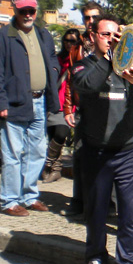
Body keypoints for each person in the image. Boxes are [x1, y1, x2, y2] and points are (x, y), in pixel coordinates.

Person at [72, 14, 133, 264]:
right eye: (105, 34)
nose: (110, 39)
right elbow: (86, 86)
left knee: (130, 216)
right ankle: (96, 260)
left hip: (129, 151)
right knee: (95, 212)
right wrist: (110, 59)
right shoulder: (87, 65)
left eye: (115, 35)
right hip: (96, 152)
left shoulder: (132, 63)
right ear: (94, 36)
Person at [0, 0, 60, 216]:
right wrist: (0, 103)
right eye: (23, 11)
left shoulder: (43, 35)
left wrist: (54, 75)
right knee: (13, 153)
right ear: (15, 11)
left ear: (36, 11)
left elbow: (52, 61)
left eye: (31, 10)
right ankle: (9, 200)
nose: (27, 14)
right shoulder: (3, 36)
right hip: (14, 103)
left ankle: (29, 196)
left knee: (37, 151)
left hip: (40, 101)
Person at [61, 1, 104, 216]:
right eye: (87, 17)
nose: (90, 22)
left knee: (105, 156)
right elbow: (70, 78)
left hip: (105, 105)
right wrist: (68, 108)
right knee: (79, 154)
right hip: (83, 107)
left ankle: (108, 203)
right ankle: (78, 201)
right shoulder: (77, 46)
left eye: (94, 17)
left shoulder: (109, 42)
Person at [41, 28, 82, 183]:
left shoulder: (80, 60)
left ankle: (47, 164)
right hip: (54, 100)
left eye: (72, 41)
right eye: (66, 40)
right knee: (53, 136)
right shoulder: (57, 59)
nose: (68, 44)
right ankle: (55, 170)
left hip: (69, 104)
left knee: (60, 134)